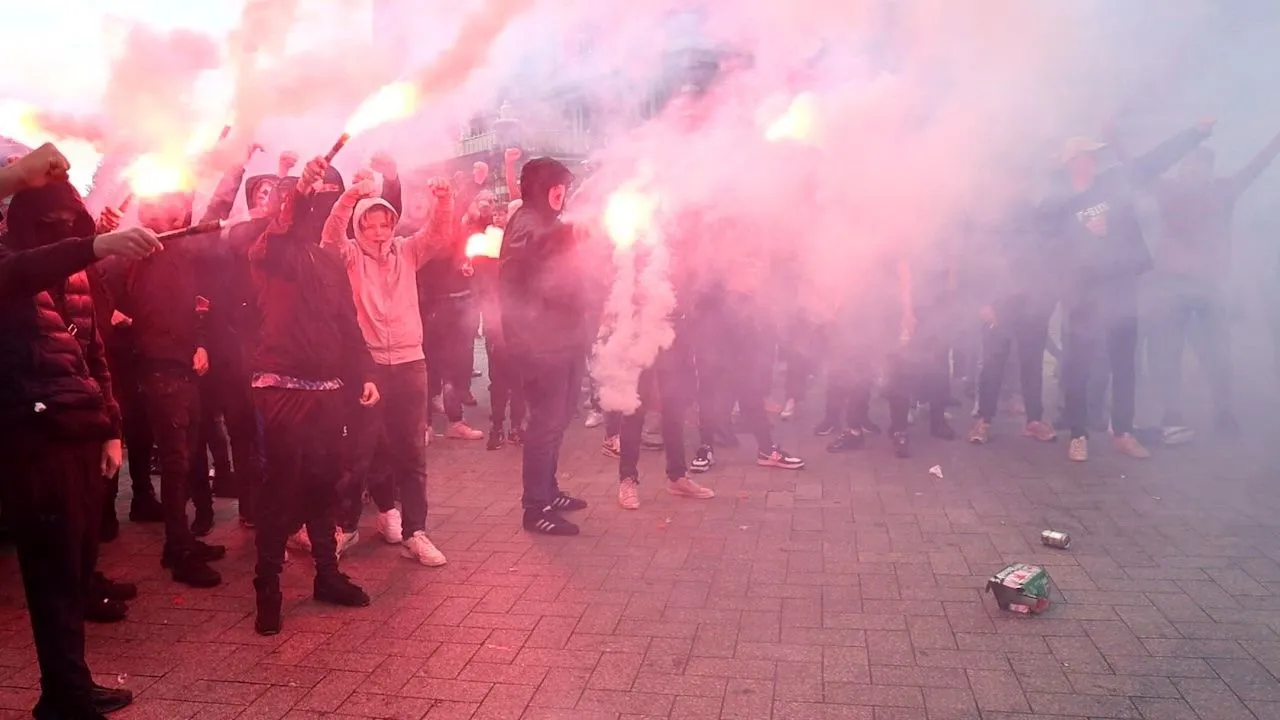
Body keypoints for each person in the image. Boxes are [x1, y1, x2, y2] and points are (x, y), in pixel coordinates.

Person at [0, 142, 164, 719]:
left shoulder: (75, 282)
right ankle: (63, 692)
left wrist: (111, 430)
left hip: (81, 433)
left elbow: (95, 355)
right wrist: (16, 177)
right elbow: (19, 271)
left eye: (71, 221)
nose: (63, 231)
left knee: (74, 566)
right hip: (30, 436)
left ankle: (70, 684)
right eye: (51, 222)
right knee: (48, 570)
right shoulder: (10, 265)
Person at [248, 157, 381, 636]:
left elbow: (347, 323)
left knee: (325, 482)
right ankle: (269, 587)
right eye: (312, 201)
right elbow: (281, 232)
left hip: (328, 389)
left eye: (324, 198)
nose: (317, 207)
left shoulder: (328, 260)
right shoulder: (268, 250)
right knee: (283, 487)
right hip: (282, 386)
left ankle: (327, 574)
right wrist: (298, 191)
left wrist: (364, 371)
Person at [1042, 121, 1214, 462]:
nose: (1091, 161)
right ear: (1071, 161)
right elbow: (1048, 246)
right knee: (1078, 366)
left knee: (1124, 364)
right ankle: (1078, 434)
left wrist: (1194, 133)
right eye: (1085, 156)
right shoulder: (1058, 203)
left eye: (1093, 156)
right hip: (1082, 294)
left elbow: (1154, 161)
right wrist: (1080, 242)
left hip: (1120, 286)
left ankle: (1123, 432)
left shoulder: (1112, 184)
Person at [321, 163, 452, 566]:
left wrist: (444, 199)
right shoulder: (348, 256)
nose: (379, 232)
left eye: (385, 224)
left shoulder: (408, 251)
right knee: (358, 452)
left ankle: (416, 532)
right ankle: (343, 529)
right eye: (370, 225)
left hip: (412, 363)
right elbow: (329, 238)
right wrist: (351, 197)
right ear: (360, 226)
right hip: (370, 368)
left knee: (412, 455)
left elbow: (439, 234)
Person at [1149, 126, 1280, 436]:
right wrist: (1113, 138)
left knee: (1218, 353)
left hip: (1209, 286)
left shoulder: (1224, 189)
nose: (1192, 170)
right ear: (1182, 168)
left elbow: (1256, 166)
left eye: (1199, 165)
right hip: (1173, 285)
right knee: (1168, 352)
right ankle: (1172, 412)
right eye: (1188, 164)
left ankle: (1223, 411)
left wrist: (1276, 140)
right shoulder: (1167, 190)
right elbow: (1138, 170)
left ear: (1209, 170)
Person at [500, 157, 590, 535]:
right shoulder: (526, 222)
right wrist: (569, 235)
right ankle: (535, 507)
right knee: (544, 424)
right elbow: (529, 256)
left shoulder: (550, 223)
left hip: (564, 338)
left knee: (559, 419)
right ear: (537, 187)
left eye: (564, 185)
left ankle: (549, 491)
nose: (561, 192)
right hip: (539, 343)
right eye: (554, 184)